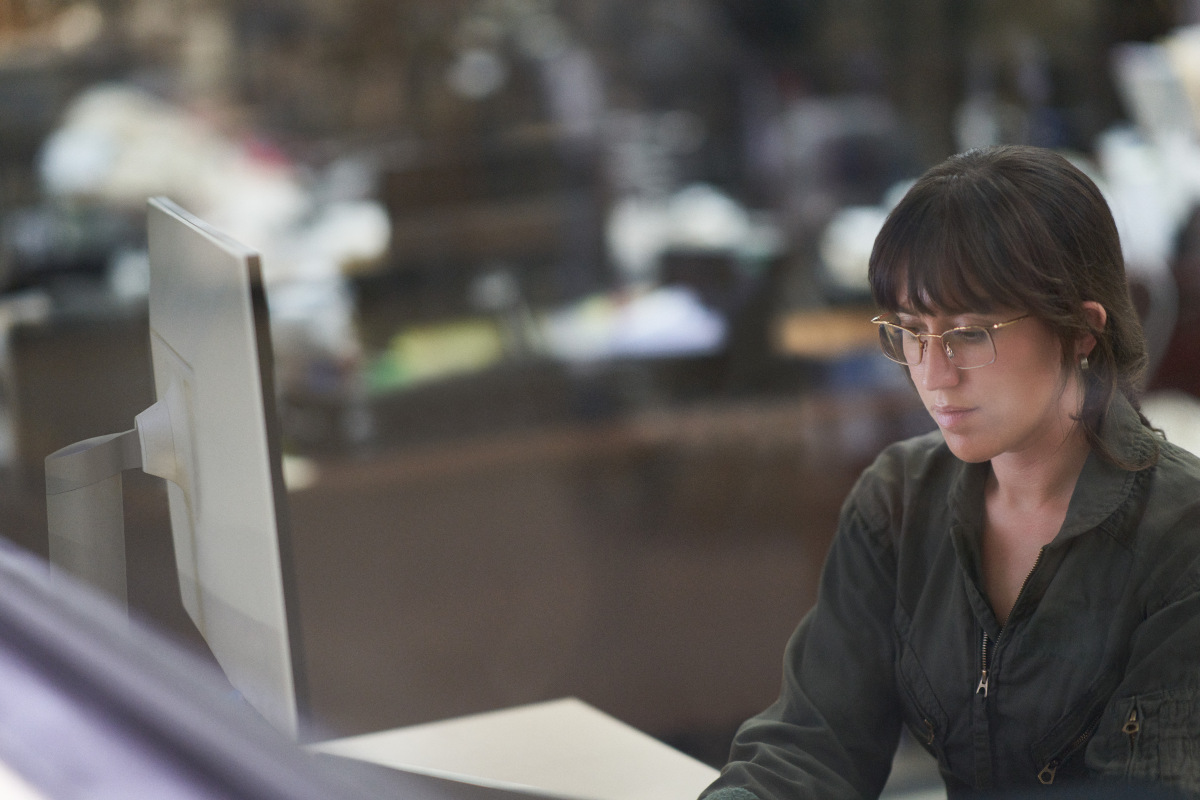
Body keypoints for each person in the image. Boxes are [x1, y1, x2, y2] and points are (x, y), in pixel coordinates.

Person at [698, 145, 1200, 799]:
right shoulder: (899, 500)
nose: (933, 374)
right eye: (910, 331)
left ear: (1081, 329)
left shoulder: (1181, 534)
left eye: (969, 333)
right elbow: (812, 743)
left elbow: (1148, 791)